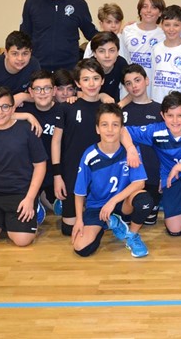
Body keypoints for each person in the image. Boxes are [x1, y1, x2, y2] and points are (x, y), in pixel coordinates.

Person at [121, 91, 181, 242]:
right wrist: (130, 148)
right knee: (175, 230)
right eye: (170, 115)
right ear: (163, 115)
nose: (175, 120)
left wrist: (178, 167)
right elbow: (123, 130)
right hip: (172, 179)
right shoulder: (156, 131)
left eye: (180, 115)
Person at [72, 103, 153, 258]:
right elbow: (79, 191)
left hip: (123, 204)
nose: (110, 129)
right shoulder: (89, 155)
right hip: (97, 206)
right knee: (81, 248)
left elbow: (139, 183)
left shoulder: (130, 152)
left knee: (145, 201)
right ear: (97, 129)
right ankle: (109, 223)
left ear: (122, 129)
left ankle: (132, 235)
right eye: (104, 125)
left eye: (115, 125)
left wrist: (113, 201)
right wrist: (79, 220)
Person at [0, 87, 47, 247]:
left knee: (22, 240)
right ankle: (4, 221)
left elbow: (40, 166)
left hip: (20, 193)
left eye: (5, 107)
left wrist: (29, 199)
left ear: (12, 109)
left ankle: (32, 209)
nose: (0, 112)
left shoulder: (27, 130)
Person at [51, 59, 106, 235]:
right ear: (78, 83)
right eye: (86, 79)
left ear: (102, 81)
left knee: (98, 226)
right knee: (69, 230)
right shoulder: (67, 107)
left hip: (100, 172)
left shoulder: (107, 108)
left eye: (96, 78)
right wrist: (57, 175)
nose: (91, 84)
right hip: (72, 172)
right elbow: (56, 141)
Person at [20, 0, 98, 72]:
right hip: (39, 70)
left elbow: (92, 34)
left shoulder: (78, 3)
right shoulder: (32, 2)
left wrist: (113, 36)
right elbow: (23, 38)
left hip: (69, 71)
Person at [119, 64, 162, 224]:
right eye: (128, 83)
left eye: (137, 80)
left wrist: (163, 175)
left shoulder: (160, 110)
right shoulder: (121, 111)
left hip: (153, 175)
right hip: (127, 176)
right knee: (127, 217)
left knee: (149, 220)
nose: (134, 86)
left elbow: (165, 146)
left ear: (147, 80)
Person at [15, 70, 63, 215]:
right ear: (31, 91)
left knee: (61, 209)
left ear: (54, 90)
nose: (42, 93)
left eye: (47, 88)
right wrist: (27, 116)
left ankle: (43, 197)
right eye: (37, 89)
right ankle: (37, 198)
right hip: (28, 172)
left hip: (53, 171)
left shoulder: (62, 110)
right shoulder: (25, 108)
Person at [150, 5, 181, 103]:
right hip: (157, 102)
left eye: (176, 25)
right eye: (167, 25)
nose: (171, 29)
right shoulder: (156, 49)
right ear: (161, 25)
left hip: (179, 105)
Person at [119, 0, 166, 79]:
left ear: (160, 13)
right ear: (140, 11)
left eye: (154, 7)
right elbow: (122, 58)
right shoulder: (128, 30)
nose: (149, 10)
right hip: (130, 83)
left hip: (153, 83)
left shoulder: (164, 35)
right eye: (145, 6)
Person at [90, 31, 128, 102]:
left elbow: (133, 88)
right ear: (94, 53)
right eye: (101, 51)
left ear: (117, 52)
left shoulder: (121, 63)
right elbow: (80, 95)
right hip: (91, 104)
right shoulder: (88, 67)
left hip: (113, 105)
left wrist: (120, 105)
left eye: (111, 50)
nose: (107, 55)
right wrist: (101, 96)